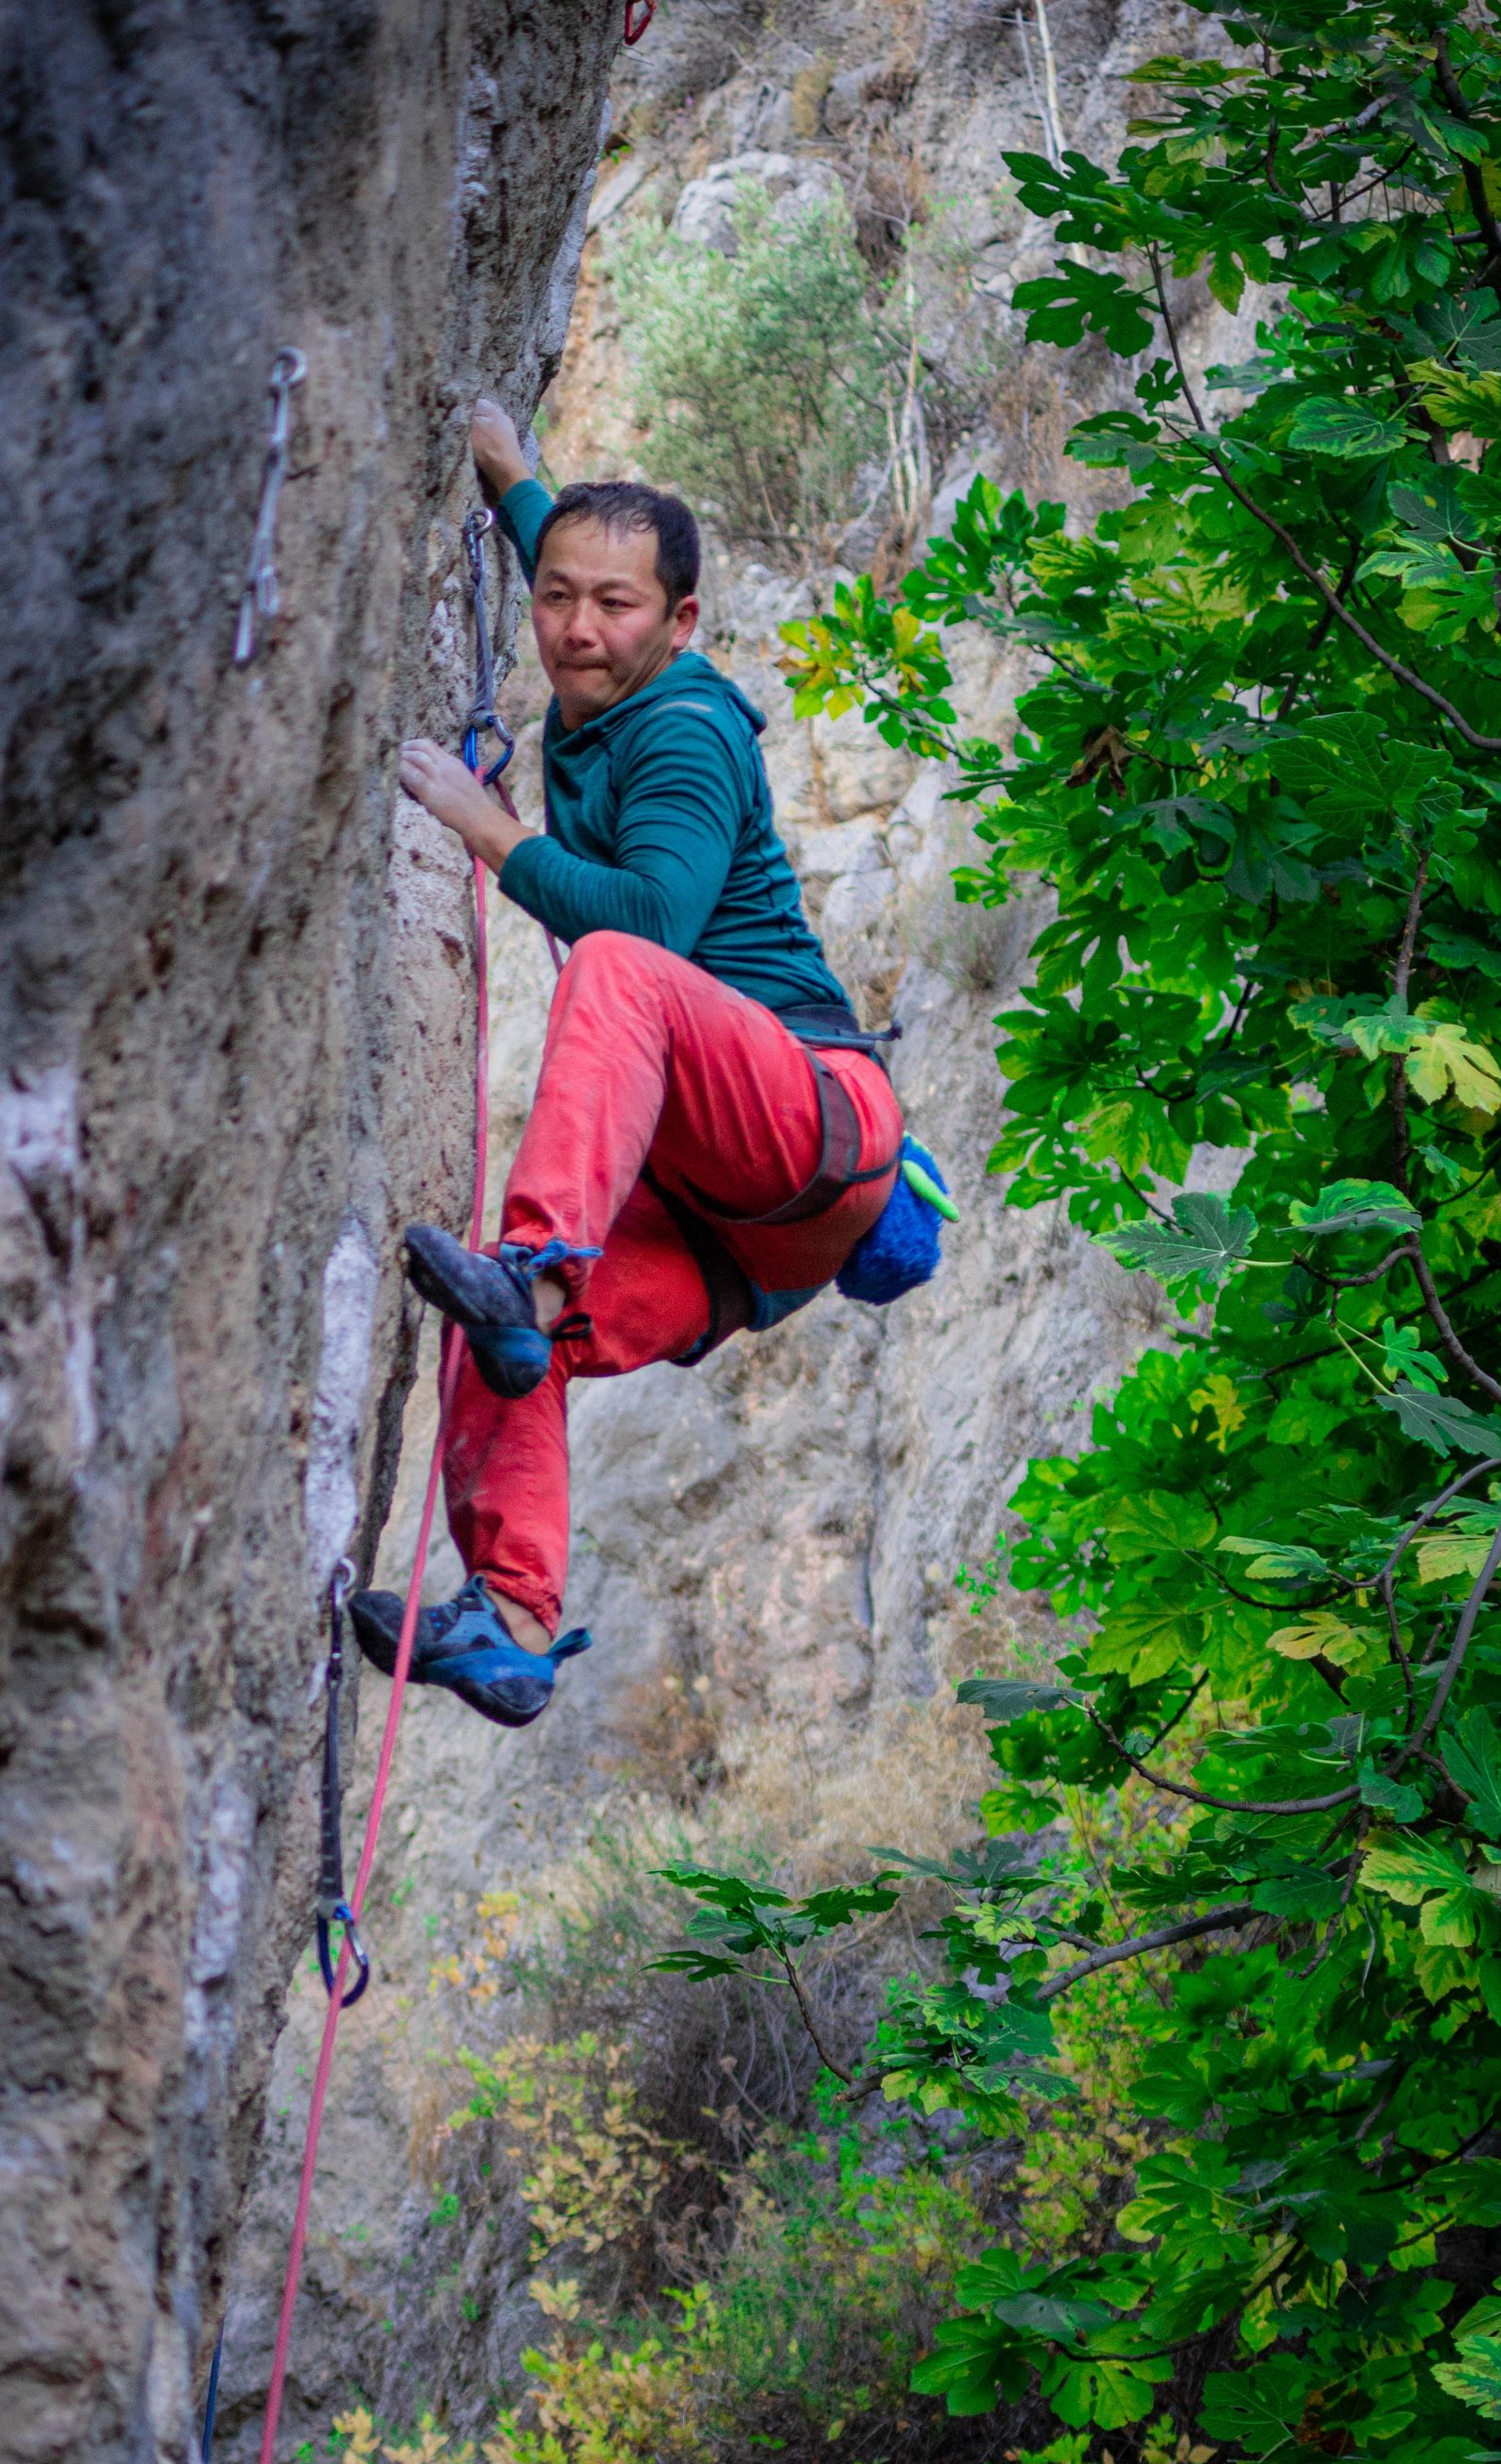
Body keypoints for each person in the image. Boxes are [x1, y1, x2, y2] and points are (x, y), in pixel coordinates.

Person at [352, 396, 925, 1728]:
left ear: (684, 625)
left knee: (617, 969)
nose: (576, 628)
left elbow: (655, 925)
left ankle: (542, 1270)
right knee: (502, 1348)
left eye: (616, 608)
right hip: (735, 1237)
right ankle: (511, 1624)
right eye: (557, 599)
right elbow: (580, 562)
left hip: (812, 1111)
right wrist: (512, 482)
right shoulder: (599, 646)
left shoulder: (685, 728)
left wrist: (487, 828)